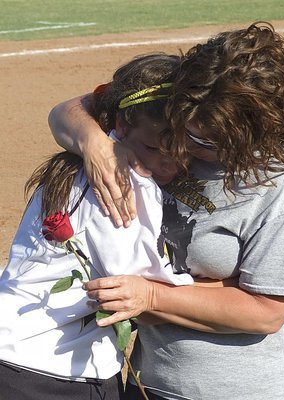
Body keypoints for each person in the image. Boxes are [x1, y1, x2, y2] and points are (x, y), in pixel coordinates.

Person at [49, 23, 284, 400]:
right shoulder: (187, 96)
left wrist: (150, 297)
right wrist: (94, 143)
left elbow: (267, 311)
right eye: (185, 128)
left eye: (204, 141)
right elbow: (69, 111)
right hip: (153, 381)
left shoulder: (278, 184)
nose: (185, 147)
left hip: (251, 390)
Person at [0, 53, 195, 400]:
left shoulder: (76, 159)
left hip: (14, 352)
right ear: (121, 124)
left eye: (181, 149)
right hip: (52, 372)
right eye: (153, 147)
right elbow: (140, 287)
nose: (168, 163)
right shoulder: (122, 181)